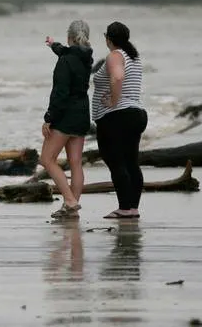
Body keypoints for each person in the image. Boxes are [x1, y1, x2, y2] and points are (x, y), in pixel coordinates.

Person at [92, 21, 147, 219]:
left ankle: (124, 208)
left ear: (108, 38)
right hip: (136, 114)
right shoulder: (133, 57)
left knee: (116, 161)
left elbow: (117, 77)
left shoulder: (115, 55)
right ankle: (132, 208)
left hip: (117, 117)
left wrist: (113, 102)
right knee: (131, 162)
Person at [41, 19, 93, 220]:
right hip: (82, 114)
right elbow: (67, 52)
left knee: (47, 159)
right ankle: (72, 208)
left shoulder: (65, 61)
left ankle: (70, 201)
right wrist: (53, 45)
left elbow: (60, 93)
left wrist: (49, 118)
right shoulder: (86, 58)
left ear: (69, 37)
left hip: (65, 117)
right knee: (76, 163)